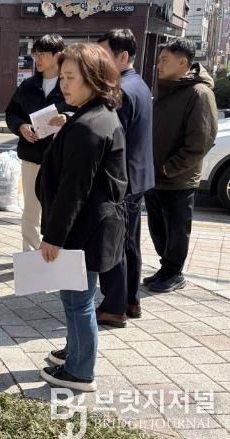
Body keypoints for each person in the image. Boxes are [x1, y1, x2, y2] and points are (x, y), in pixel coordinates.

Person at [37, 43, 127, 392]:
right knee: (77, 299)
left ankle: (79, 371)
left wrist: (54, 237)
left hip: (82, 230)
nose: (64, 84)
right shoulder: (95, 115)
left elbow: (74, 189)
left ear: (94, 78)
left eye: (71, 77)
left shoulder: (89, 126)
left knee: (78, 302)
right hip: (88, 227)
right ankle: (75, 351)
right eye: (62, 77)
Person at [144, 38, 218, 293]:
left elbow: (201, 140)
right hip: (155, 174)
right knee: (158, 228)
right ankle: (165, 269)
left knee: (176, 229)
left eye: (164, 60)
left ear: (183, 62)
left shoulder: (199, 94)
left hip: (178, 178)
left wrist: (169, 168)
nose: (159, 65)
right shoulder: (167, 89)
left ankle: (174, 273)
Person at [95, 29, 154, 327]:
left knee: (115, 243)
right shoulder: (139, 84)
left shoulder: (121, 91)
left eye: (104, 55)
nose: (99, 62)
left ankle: (115, 306)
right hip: (137, 176)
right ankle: (131, 300)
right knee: (130, 241)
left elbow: (111, 140)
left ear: (123, 57)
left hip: (121, 180)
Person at [5, 34, 69, 251]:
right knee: (31, 209)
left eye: (42, 54)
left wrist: (67, 117)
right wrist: (21, 126)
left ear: (58, 55)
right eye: (35, 54)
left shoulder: (70, 82)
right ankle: (30, 255)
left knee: (59, 208)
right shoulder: (28, 85)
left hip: (61, 157)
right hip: (32, 155)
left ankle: (57, 252)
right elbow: (12, 113)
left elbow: (83, 110)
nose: (37, 59)